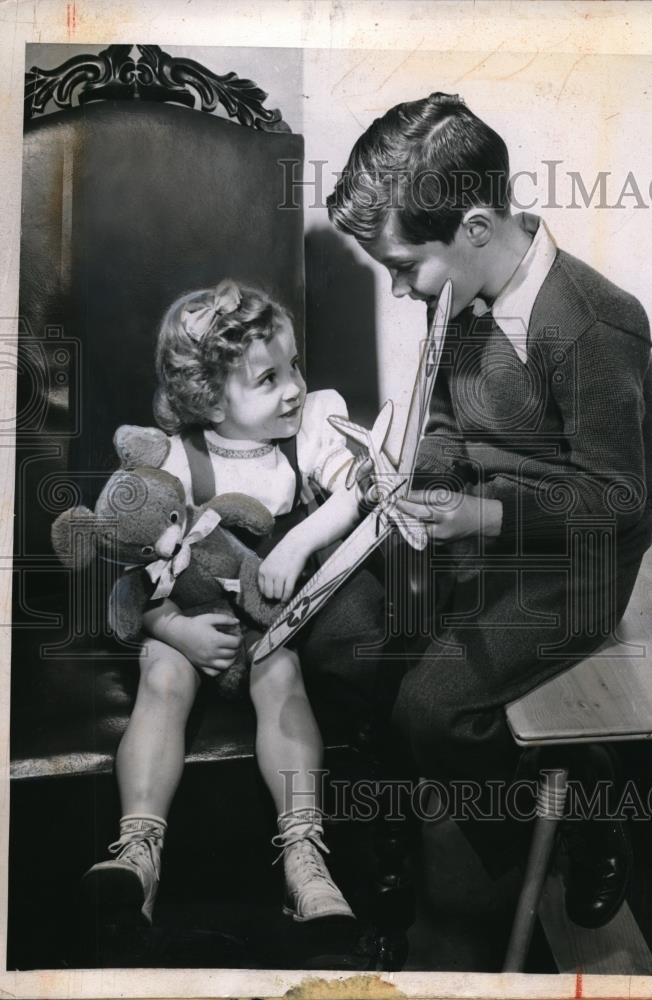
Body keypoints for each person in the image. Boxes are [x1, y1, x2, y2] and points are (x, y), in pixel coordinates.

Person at [323, 92, 652, 927]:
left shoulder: (592, 324)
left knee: (433, 710)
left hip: (579, 559)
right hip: (479, 527)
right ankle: (454, 817)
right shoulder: (459, 295)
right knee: (336, 644)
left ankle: (574, 826)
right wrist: (421, 474)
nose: (401, 289)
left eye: (406, 266)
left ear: (474, 227)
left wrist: (483, 517)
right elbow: (444, 421)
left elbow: (617, 496)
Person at [84, 279, 362, 926]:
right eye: (268, 379)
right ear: (209, 400)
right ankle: (139, 850)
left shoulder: (307, 435)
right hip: (187, 617)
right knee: (161, 678)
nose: (293, 386)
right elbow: (133, 571)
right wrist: (178, 632)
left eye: (293, 366)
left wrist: (299, 548)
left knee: (283, 680)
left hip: (270, 626)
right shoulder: (177, 461)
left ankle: (303, 854)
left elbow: (353, 494)